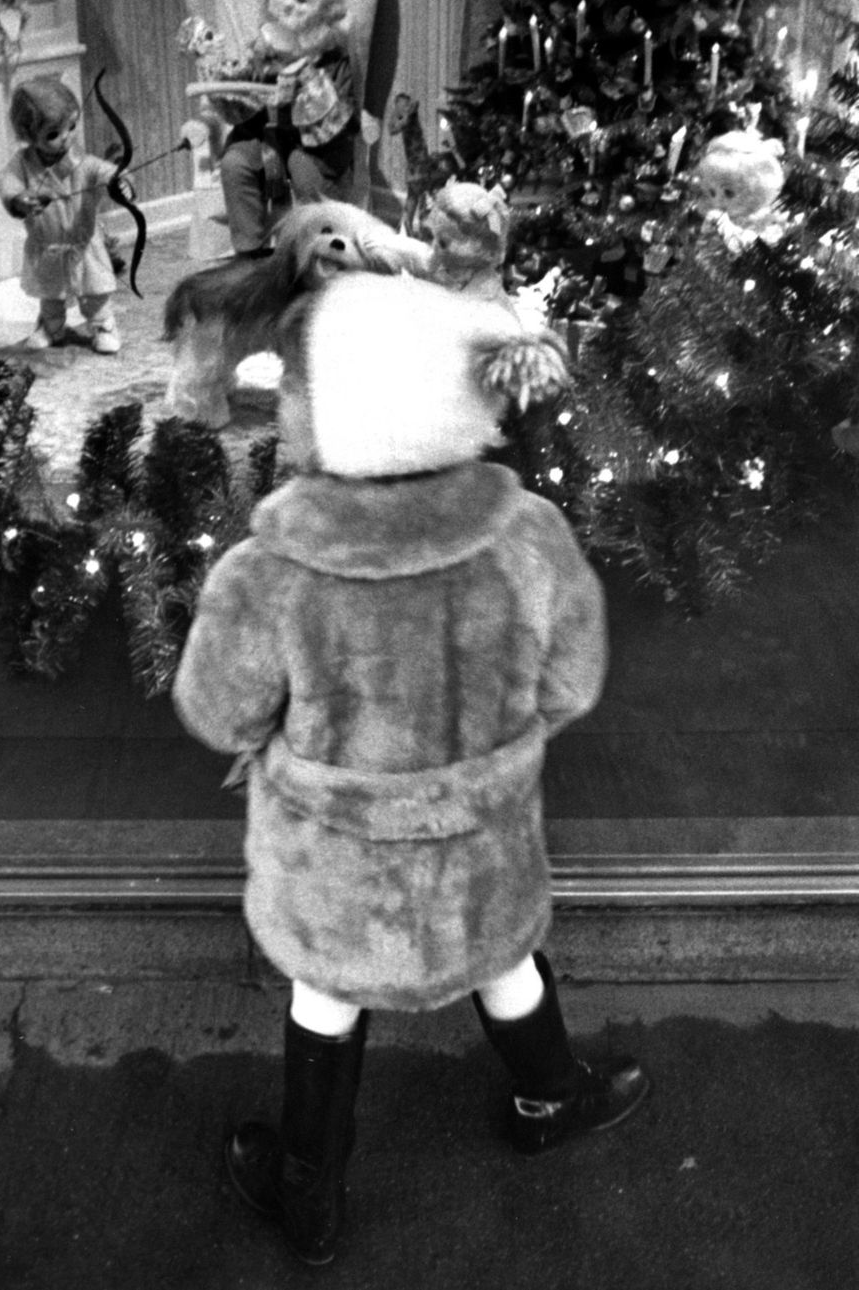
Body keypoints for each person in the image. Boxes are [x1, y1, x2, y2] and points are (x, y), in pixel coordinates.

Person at [172, 272, 650, 1267]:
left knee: (327, 987)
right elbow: (573, 682)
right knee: (503, 955)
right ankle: (548, 1096)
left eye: (299, 385)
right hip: (483, 850)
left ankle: (311, 1188)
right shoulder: (530, 538)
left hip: (335, 868)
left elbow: (218, 714)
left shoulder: (269, 571)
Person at [194, 0, 362, 257]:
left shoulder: (333, 55)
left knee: (305, 171)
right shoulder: (262, 45)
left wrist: (305, 75)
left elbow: (338, 117)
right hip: (265, 133)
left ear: (323, 11)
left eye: (301, 0)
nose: (287, 4)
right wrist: (223, 73)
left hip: (316, 144)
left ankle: (320, 250)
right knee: (236, 163)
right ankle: (250, 251)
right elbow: (241, 92)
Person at [0, 77, 122, 355]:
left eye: (72, 126)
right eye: (53, 134)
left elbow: (104, 171)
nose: (66, 137)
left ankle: (104, 325)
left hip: (83, 244)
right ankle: (51, 326)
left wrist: (121, 181)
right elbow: (7, 180)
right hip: (47, 247)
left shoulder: (81, 161)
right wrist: (19, 200)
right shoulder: (21, 163)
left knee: (95, 293)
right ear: (29, 136)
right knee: (51, 294)